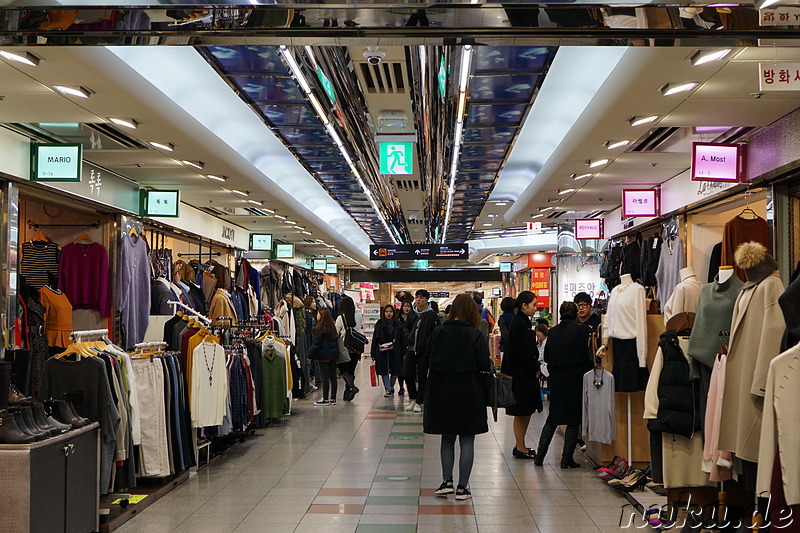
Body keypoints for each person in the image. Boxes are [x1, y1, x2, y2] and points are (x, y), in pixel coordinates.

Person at [422, 294, 491, 501]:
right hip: (469, 391)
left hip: (441, 391)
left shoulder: (438, 333)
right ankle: (463, 488)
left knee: (447, 437)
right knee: (467, 441)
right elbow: (484, 365)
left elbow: (426, 360)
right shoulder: (476, 335)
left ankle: (446, 482)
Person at [534, 302, 594, 468]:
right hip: (576, 378)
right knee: (573, 419)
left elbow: (546, 356)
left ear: (560, 314)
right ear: (575, 314)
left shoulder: (552, 332)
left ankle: (539, 457)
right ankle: (566, 458)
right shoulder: (583, 330)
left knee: (553, 417)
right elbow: (589, 356)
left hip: (558, 378)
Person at [501, 291, 543, 459]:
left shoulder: (523, 322)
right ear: (524, 306)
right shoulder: (519, 324)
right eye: (533, 305)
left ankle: (521, 445)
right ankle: (520, 447)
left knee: (525, 411)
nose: (535, 308)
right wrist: (535, 368)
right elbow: (525, 352)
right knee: (521, 411)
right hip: (521, 376)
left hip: (523, 375)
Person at [404, 289, 439, 412]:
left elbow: (436, 333)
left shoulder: (432, 315)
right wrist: (408, 337)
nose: (419, 300)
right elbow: (406, 327)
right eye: (417, 297)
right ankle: (413, 398)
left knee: (423, 376)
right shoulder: (412, 314)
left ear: (427, 300)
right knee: (407, 374)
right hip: (411, 349)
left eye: (422, 298)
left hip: (424, 351)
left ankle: (420, 401)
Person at [307, 308, 340, 406]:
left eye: (318, 314)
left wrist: (310, 356)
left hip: (323, 356)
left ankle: (325, 398)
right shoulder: (332, 327)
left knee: (325, 377)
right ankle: (333, 398)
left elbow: (316, 345)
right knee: (333, 376)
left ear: (321, 316)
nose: (317, 315)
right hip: (333, 355)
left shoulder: (319, 328)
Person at [371, 304, 403, 397]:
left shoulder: (397, 325)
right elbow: (375, 339)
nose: (388, 313)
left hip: (395, 350)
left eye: (390, 311)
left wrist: (403, 352)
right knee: (383, 370)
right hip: (382, 351)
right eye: (386, 311)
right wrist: (373, 352)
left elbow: (402, 339)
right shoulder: (379, 324)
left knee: (395, 370)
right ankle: (388, 389)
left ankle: (391, 386)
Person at [335, 296, 362, 401]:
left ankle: (352, 387)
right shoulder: (359, 316)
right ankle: (348, 393)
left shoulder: (341, 318)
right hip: (356, 348)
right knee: (352, 370)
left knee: (344, 370)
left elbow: (336, 332)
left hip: (345, 348)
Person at [396, 299, 413, 396]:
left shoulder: (414, 318)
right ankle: (401, 386)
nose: (407, 308)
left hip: (410, 344)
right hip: (400, 345)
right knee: (401, 367)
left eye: (408, 306)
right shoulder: (398, 319)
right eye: (405, 306)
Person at [304, 296, 319, 390]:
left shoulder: (311, 315)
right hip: (309, 340)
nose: (315, 304)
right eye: (313, 302)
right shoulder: (307, 316)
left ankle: (312, 379)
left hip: (312, 339)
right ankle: (309, 380)